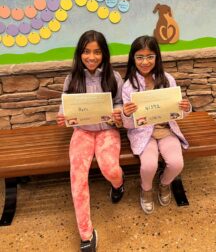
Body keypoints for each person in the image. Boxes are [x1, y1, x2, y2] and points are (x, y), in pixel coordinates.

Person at [56, 30, 124, 252]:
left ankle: (118, 186)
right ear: (80, 53)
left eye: (97, 52)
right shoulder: (72, 79)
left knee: (111, 168)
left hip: (107, 132)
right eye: (86, 52)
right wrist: (62, 115)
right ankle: (86, 234)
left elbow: (120, 103)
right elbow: (65, 107)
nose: (91, 57)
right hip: (82, 132)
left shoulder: (113, 78)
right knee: (78, 179)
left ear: (104, 54)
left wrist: (118, 112)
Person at [122, 35, 191, 214]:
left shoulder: (167, 79)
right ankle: (146, 190)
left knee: (176, 163)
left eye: (150, 56)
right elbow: (128, 125)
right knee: (148, 165)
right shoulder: (129, 85)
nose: (145, 62)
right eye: (140, 57)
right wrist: (126, 113)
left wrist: (186, 107)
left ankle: (164, 183)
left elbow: (177, 112)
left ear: (157, 57)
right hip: (142, 133)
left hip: (166, 130)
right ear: (133, 59)